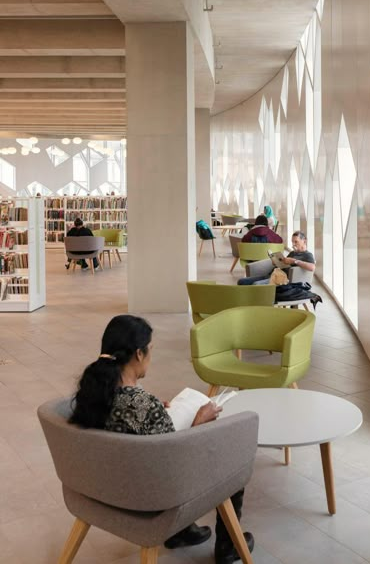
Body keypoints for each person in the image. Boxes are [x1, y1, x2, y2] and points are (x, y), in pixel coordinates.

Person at [70, 315, 254, 564]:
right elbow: (173, 456)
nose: (150, 357)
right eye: (150, 351)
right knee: (233, 461)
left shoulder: (92, 394)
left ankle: (181, 532)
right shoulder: (142, 404)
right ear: (138, 354)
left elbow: (137, 432)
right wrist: (199, 420)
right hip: (153, 495)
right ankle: (228, 546)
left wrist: (160, 413)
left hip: (104, 486)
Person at [238, 230, 315, 285]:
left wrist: (294, 261)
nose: (293, 244)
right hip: (272, 274)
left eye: (296, 242)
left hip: (281, 280)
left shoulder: (307, 255)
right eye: (292, 242)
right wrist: (276, 262)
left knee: (256, 285)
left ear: (304, 241)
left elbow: (312, 267)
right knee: (241, 281)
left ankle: (257, 306)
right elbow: (284, 264)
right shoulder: (292, 253)